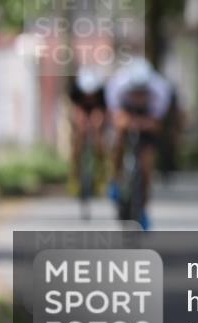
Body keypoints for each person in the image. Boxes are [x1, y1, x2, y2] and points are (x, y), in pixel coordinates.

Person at [105, 57, 174, 229]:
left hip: (147, 118)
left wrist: (141, 123)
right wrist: (127, 122)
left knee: (146, 166)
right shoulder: (116, 86)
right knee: (118, 140)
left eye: (142, 92)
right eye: (135, 91)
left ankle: (142, 208)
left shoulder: (161, 90)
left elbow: (156, 124)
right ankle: (115, 178)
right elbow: (116, 117)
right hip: (126, 114)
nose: (138, 95)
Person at [67, 66, 108, 196]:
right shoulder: (75, 91)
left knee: (99, 138)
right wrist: (80, 124)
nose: (89, 96)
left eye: (92, 94)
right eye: (87, 94)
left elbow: (103, 112)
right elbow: (74, 110)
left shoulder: (102, 93)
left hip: (96, 110)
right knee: (78, 137)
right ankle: (75, 174)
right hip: (81, 110)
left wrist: (98, 124)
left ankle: (101, 173)